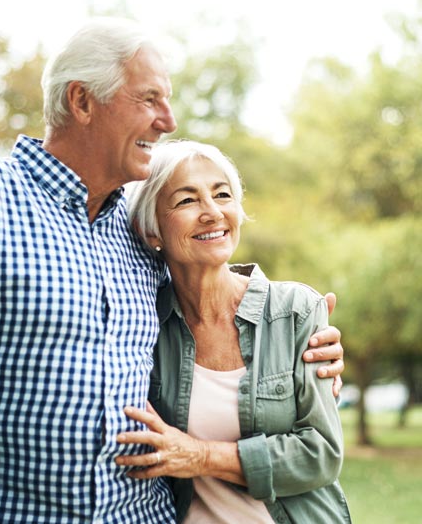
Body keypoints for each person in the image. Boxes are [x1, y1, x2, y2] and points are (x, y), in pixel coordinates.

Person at [0, 19, 344, 524]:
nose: (168, 120)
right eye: (149, 100)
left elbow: (207, 289)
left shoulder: (130, 222)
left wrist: (295, 335)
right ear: (82, 101)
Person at [117, 139, 351, 523]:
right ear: (151, 229)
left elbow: (320, 454)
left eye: (222, 195)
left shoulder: (295, 311)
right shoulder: (143, 324)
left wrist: (198, 455)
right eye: (187, 200)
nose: (212, 213)